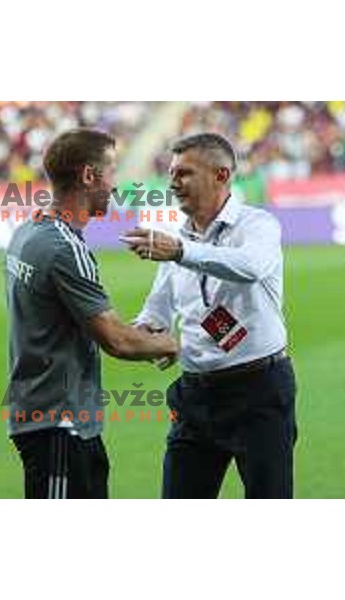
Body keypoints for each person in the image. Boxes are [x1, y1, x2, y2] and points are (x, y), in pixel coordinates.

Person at [4, 128, 178, 499]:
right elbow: (116, 340)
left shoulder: (27, 232)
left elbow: (74, 323)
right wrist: (172, 344)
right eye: (111, 171)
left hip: (42, 414)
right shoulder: (65, 248)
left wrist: (140, 332)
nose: (116, 185)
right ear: (88, 176)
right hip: (60, 424)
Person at [123, 133, 297, 499]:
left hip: (258, 390)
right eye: (171, 172)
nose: (173, 182)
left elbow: (251, 267)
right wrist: (145, 332)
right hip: (195, 395)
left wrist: (182, 251)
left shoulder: (256, 225)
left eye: (184, 173)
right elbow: (158, 307)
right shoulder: (177, 238)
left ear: (220, 175)